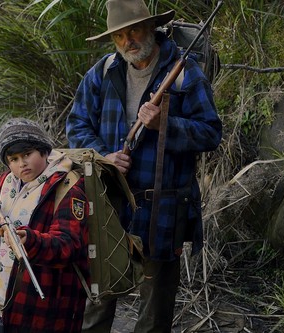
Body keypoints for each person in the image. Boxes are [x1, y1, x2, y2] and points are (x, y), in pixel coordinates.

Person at [66, 0, 223, 332]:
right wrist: (103, 157)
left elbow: (211, 133)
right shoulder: (103, 72)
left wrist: (165, 123)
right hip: (111, 206)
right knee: (96, 303)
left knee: (155, 313)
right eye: (119, 36)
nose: (128, 42)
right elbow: (77, 125)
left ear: (151, 28)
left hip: (163, 208)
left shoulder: (184, 73)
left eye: (134, 30)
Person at [0, 117, 90, 333]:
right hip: (3, 306)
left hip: (44, 313)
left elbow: (69, 245)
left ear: (43, 151)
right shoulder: (7, 181)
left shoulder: (67, 188)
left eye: (27, 154)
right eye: (13, 159)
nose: (21, 163)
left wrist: (30, 241)